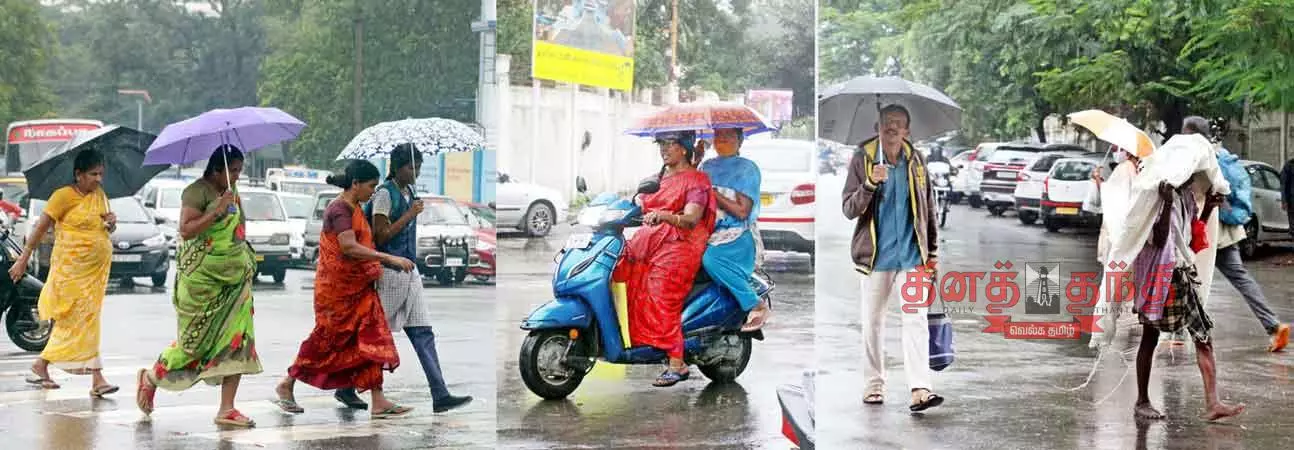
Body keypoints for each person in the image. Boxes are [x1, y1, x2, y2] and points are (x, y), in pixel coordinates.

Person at [330, 145, 473, 412]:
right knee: (375, 335)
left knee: (423, 332)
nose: (415, 171)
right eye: (410, 167)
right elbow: (381, 236)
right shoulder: (385, 194)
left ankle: (440, 394)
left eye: (418, 166)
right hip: (388, 273)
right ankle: (347, 387)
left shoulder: (409, 192)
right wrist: (410, 214)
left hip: (409, 272)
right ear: (396, 167)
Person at [274, 160, 415, 419]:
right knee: (325, 343)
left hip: (360, 288)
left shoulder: (356, 207)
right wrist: (388, 259)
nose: (374, 191)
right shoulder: (339, 209)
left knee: (374, 337)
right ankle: (287, 383)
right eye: (371, 186)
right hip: (337, 291)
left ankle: (379, 399)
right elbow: (349, 247)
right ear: (355, 184)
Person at [133, 146, 263, 427]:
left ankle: (227, 408)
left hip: (235, 278)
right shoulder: (196, 192)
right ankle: (152, 377)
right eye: (233, 170)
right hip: (202, 281)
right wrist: (217, 211)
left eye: (240, 170)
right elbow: (186, 230)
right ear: (216, 170)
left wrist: (240, 257)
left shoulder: (233, 192)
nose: (238, 176)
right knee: (193, 345)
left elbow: (239, 228)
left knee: (238, 338)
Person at [842, 104, 943, 412]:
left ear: (907, 131)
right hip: (876, 259)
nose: (892, 128)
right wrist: (870, 183)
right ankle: (874, 385)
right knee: (873, 323)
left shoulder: (917, 161)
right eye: (887, 123)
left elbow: (928, 207)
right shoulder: (863, 159)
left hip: (912, 256)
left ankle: (920, 389)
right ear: (878, 126)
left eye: (898, 124)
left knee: (916, 321)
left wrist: (933, 254)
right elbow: (849, 209)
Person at [1131, 168, 1243, 422]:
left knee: (1203, 334)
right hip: (1161, 276)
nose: (1194, 180)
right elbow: (1158, 240)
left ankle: (1213, 403)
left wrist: (1209, 208)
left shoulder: (1187, 199)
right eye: (1191, 176)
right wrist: (1167, 200)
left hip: (1182, 273)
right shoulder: (1158, 198)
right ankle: (1142, 401)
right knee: (1150, 335)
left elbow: (1191, 238)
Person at [8, 149, 118, 397]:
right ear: (78, 174)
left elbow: (105, 228)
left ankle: (95, 379)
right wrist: (23, 260)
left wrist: (111, 223)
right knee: (73, 322)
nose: (99, 179)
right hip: (70, 273)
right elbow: (39, 229)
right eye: (93, 174)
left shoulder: (99, 195)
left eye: (101, 174)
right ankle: (41, 365)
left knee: (88, 322)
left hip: (95, 274)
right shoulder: (62, 197)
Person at [614, 130, 716, 387]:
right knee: (622, 278)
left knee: (661, 293)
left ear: (683, 148)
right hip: (650, 240)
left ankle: (676, 362)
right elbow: (638, 203)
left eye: (670, 144)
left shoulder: (697, 181)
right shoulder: (658, 177)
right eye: (661, 143)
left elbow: (691, 219)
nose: (664, 149)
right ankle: (640, 342)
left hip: (682, 243)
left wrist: (664, 216)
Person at [1180, 116, 1289, 352]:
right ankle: (1273, 325)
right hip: (1227, 230)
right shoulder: (1220, 155)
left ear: (1193, 134)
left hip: (1208, 229)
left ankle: (1180, 333)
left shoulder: (1199, 159)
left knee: (1185, 275)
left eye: (1184, 132)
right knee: (1239, 278)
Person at [699, 127, 769, 331]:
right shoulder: (706, 166)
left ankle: (756, 304)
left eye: (729, 136)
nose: (722, 139)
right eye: (718, 135)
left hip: (735, 234)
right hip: (708, 231)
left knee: (711, 260)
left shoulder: (747, 169)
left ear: (740, 141)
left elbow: (741, 212)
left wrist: (714, 194)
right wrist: (696, 160)